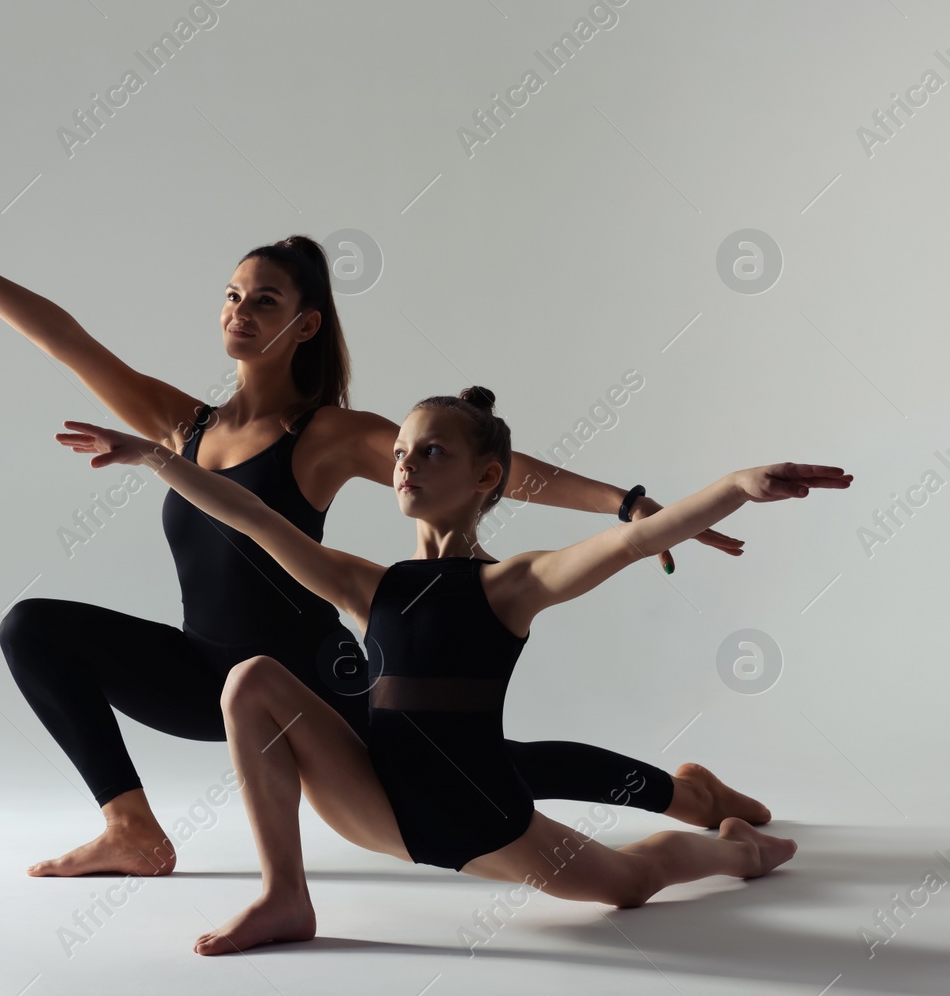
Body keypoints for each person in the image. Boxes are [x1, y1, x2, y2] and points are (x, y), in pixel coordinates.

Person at [0, 230, 764, 879]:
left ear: (307, 325)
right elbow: (71, 342)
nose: (243, 311)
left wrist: (625, 502)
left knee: (491, 765)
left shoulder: (325, 435)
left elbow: (494, 466)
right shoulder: (184, 424)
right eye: (234, 295)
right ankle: (129, 825)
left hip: (313, 675)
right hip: (207, 669)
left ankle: (683, 794)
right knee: (32, 628)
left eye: (268, 301)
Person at [54, 388, 851, 954]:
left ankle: (738, 848)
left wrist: (735, 487)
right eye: (399, 452)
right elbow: (255, 517)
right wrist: (158, 459)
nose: (403, 465)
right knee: (250, 678)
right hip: (377, 807)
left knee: (631, 883)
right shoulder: (368, 586)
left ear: (485, 478)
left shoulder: (514, 585)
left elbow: (636, 542)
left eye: (429, 452)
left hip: (485, 819)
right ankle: (285, 896)